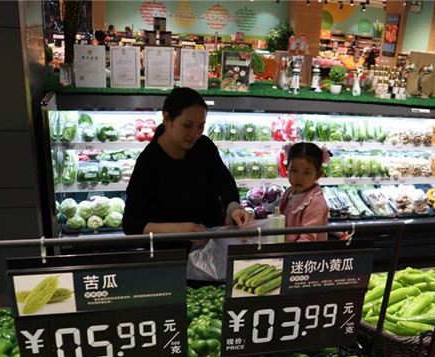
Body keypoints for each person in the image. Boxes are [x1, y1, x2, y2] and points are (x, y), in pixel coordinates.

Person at [123, 87, 252, 240]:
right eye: (187, 125)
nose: (195, 133)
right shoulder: (149, 160)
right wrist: (176, 230)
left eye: (200, 126)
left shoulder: (204, 146)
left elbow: (224, 183)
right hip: (170, 250)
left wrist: (234, 208)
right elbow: (131, 224)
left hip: (211, 245)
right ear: (167, 119)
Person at [279, 143, 329, 242]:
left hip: (304, 251)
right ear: (286, 169)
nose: (299, 178)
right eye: (294, 171)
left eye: (306, 173)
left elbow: (307, 239)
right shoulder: (290, 192)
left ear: (318, 174)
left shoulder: (315, 202)